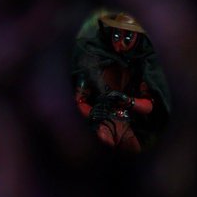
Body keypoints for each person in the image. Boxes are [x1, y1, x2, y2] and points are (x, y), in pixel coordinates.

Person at [72, 12, 170, 152]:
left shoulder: (144, 65)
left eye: (128, 37)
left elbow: (150, 104)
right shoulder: (94, 58)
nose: (119, 44)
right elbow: (79, 100)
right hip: (103, 124)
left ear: (138, 39)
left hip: (127, 126)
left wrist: (128, 101)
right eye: (116, 35)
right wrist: (93, 112)